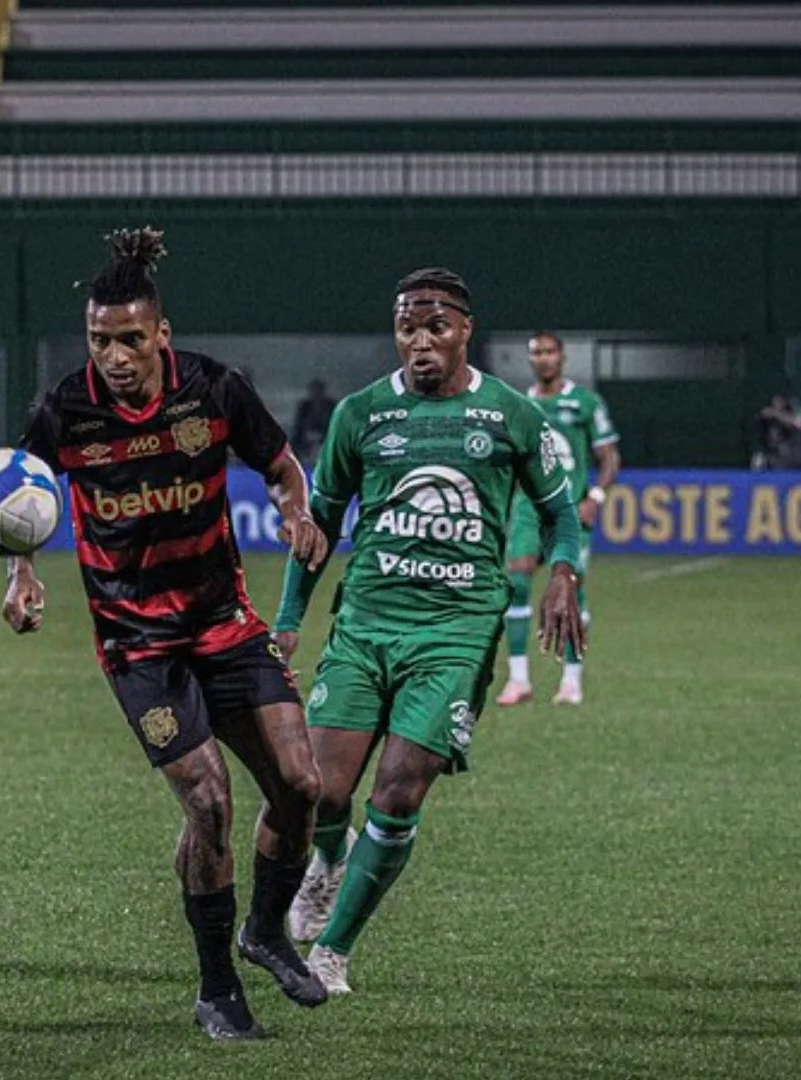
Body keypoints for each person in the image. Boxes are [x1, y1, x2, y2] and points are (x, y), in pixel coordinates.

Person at [3, 227, 333, 1040]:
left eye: (128, 339)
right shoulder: (63, 411)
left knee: (301, 786)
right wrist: (21, 571)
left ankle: (264, 930)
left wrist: (297, 510)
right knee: (211, 802)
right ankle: (218, 988)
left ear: (161, 334)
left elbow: (283, 467)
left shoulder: (214, 391)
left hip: (224, 625)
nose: (112, 356)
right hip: (139, 648)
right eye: (98, 339)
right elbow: (21, 498)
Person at [271, 268, 585, 996]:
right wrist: (288, 620)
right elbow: (316, 525)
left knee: (401, 793)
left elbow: (559, 509)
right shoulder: (361, 414)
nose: (420, 343)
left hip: (455, 631)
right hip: (367, 624)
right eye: (408, 329)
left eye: (435, 328)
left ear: (464, 331)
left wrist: (563, 570)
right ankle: (327, 862)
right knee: (315, 791)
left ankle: (333, 954)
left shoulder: (509, 414)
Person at [494, 332, 620, 707]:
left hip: (569, 508)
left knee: (571, 588)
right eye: (536, 353)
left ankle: (571, 680)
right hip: (527, 509)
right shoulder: (519, 406)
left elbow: (609, 456)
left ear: (562, 357)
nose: (544, 359)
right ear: (530, 360)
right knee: (517, 582)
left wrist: (595, 496)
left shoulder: (584, 402)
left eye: (550, 352)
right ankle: (518, 679)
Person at [755, 393, 801, 471]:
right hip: (787, 459)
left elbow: (798, 423)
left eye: (780, 403)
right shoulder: (778, 421)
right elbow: (774, 442)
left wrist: (775, 413)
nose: (778, 407)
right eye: (775, 405)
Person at [289, 377, 337, 467]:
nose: (315, 393)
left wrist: (321, 434)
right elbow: (299, 424)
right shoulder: (305, 406)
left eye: (317, 390)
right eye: (313, 390)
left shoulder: (330, 405)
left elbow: (334, 424)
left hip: (325, 435)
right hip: (306, 436)